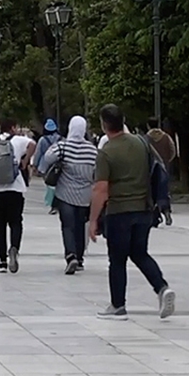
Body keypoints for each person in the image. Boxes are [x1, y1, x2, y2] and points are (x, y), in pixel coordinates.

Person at [90, 104, 175, 321]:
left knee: (117, 260)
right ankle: (162, 287)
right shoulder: (141, 142)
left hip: (119, 211)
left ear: (103, 124)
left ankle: (118, 305)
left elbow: (101, 189)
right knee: (139, 253)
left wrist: (92, 221)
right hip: (144, 210)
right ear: (123, 120)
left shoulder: (106, 152)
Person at [38, 115, 97, 274]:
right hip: (85, 196)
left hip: (65, 194)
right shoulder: (92, 149)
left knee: (67, 226)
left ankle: (70, 256)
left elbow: (48, 157)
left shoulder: (63, 146)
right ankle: (79, 257)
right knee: (80, 226)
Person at [0, 119, 35, 274]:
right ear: (13, 128)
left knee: (0, 225)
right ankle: (14, 247)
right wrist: (25, 160)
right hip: (15, 187)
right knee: (16, 221)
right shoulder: (18, 140)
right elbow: (32, 144)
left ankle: (2, 261)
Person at [33, 119, 62, 215]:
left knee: (49, 185)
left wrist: (35, 166)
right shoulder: (61, 139)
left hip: (45, 166)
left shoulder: (42, 140)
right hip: (58, 165)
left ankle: (52, 204)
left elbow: (38, 153)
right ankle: (57, 204)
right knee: (58, 185)